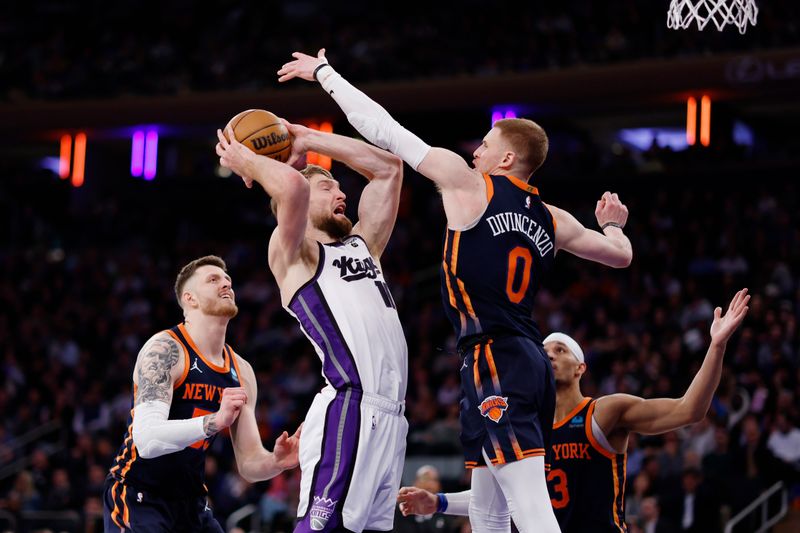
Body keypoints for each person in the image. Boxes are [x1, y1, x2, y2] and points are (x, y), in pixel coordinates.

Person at [278, 49, 633, 533]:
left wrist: (325, 75)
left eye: (485, 145)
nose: (475, 152)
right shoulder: (554, 218)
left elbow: (385, 132)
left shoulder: (471, 185)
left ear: (507, 157)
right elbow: (620, 255)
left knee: (529, 505)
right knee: (489, 505)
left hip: (497, 357)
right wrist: (614, 226)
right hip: (520, 358)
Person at [396, 289, 750, 532]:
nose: (550, 354)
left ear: (581, 368)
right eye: (545, 349)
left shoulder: (604, 412)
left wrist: (716, 347)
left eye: (561, 350)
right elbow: (499, 497)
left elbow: (690, 410)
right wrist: (438, 502)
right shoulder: (523, 427)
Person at [216, 120, 407, 533]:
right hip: (349, 406)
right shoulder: (294, 254)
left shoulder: (363, 245)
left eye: (340, 186)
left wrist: (308, 138)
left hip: (392, 418)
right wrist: (246, 159)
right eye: (329, 187)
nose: (342, 193)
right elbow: (292, 189)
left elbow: (389, 167)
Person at [104, 255, 301, 532]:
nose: (226, 284)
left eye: (228, 280)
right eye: (213, 280)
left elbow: (248, 463)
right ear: (190, 299)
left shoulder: (241, 370)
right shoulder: (165, 350)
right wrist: (214, 422)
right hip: (139, 495)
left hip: (191, 503)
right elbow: (146, 439)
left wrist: (276, 462)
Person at [394, 466, 460, 533]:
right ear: (415, 483)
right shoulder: (402, 509)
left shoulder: (447, 511)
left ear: (439, 485)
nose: (429, 484)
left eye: (433, 480)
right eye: (425, 479)